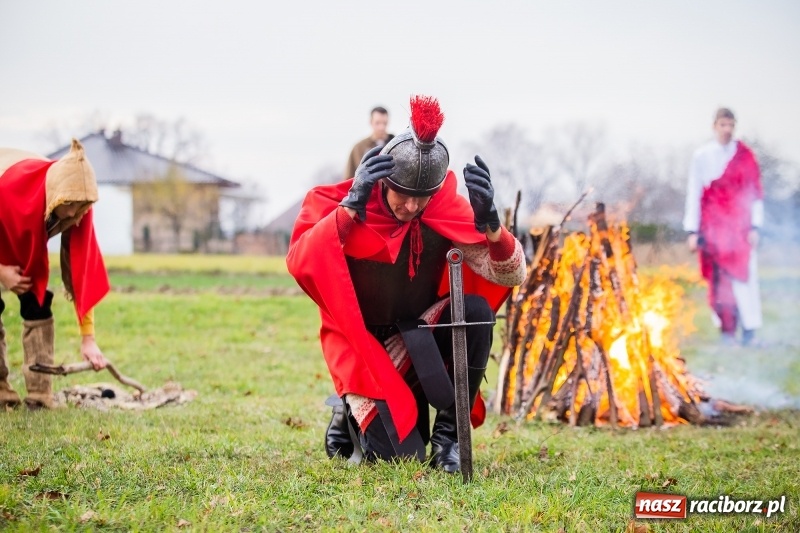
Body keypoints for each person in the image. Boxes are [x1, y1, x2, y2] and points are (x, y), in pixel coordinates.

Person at [287, 96, 526, 471]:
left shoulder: (442, 208)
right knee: (398, 459)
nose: (413, 208)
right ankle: (346, 412)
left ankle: (449, 438)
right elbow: (302, 263)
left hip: (419, 333)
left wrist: (492, 226)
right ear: (383, 181)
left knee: (476, 313)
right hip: (362, 344)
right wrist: (350, 207)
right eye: (404, 196)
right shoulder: (343, 206)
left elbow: (512, 275)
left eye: (422, 199)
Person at [0, 139, 110, 409]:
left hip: (26, 222)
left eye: (80, 205)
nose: (73, 212)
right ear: (56, 194)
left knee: (37, 302)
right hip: (8, 204)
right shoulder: (7, 191)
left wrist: (89, 339)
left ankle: (40, 395)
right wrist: (2, 271)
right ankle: (1, 390)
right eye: (69, 204)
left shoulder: (78, 207)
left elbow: (82, 274)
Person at [683, 108, 764, 346]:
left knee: (744, 278)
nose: (727, 130)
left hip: (740, 227)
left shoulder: (745, 155)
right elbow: (694, 192)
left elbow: (755, 192)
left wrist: (755, 227)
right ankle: (727, 332)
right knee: (719, 282)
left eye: (731, 125)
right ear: (714, 126)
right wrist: (692, 231)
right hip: (713, 228)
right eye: (723, 125)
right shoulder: (702, 155)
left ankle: (749, 331)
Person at [343, 106, 394, 180]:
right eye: (377, 123)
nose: (381, 127)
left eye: (384, 123)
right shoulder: (358, 148)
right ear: (370, 122)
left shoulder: (397, 145)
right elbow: (348, 179)